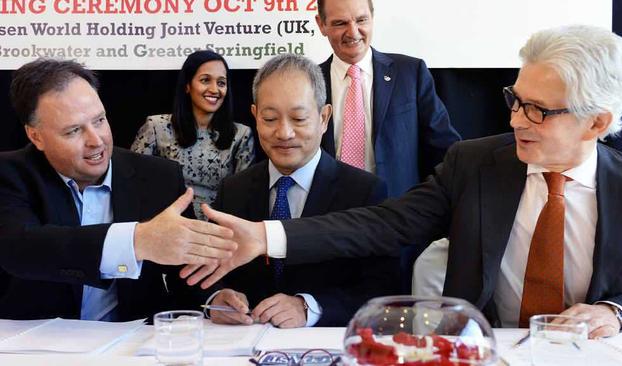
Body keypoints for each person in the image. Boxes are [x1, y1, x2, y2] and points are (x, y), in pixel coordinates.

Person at [196, 25, 622, 339]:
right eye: (515, 100)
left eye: (538, 110)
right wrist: (265, 235)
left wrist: (619, 312)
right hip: (480, 350)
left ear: (596, 122)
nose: (515, 120)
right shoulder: (473, 164)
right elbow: (381, 225)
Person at [0, 59, 236, 321]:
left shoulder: (158, 177)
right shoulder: (9, 174)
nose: (96, 140)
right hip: (33, 348)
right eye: (74, 131)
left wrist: (215, 299)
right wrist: (137, 241)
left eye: (99, 120)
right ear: (36, 137)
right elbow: (18, 249)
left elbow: (188, 267)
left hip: (132, 346)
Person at [207, 54, 398, 328]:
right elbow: (207, 273)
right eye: (270, 119)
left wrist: (310, 307)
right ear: (255, 116)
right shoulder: (233, 190)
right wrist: (217, 297)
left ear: (323, 118)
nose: (284, 133)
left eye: (298, 118)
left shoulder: (364, 193)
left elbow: (383, 292)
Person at [315, 0, 461, 198]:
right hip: (330, 215)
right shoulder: (308, 82)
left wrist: (426, 202)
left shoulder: (411, 73)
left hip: (397, 214)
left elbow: (446, 151)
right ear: (321, 25)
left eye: (361, 20)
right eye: (340, 23)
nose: (353, 32)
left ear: (372, 18)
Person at [131, 50, 255, 220]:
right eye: (205, 80)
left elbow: (243, 196)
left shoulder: (241, 135)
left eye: (221, 83)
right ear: (187, 85)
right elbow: (132, 182)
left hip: (218, 229)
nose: (214, 89)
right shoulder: (156, 126)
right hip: (165, 224)